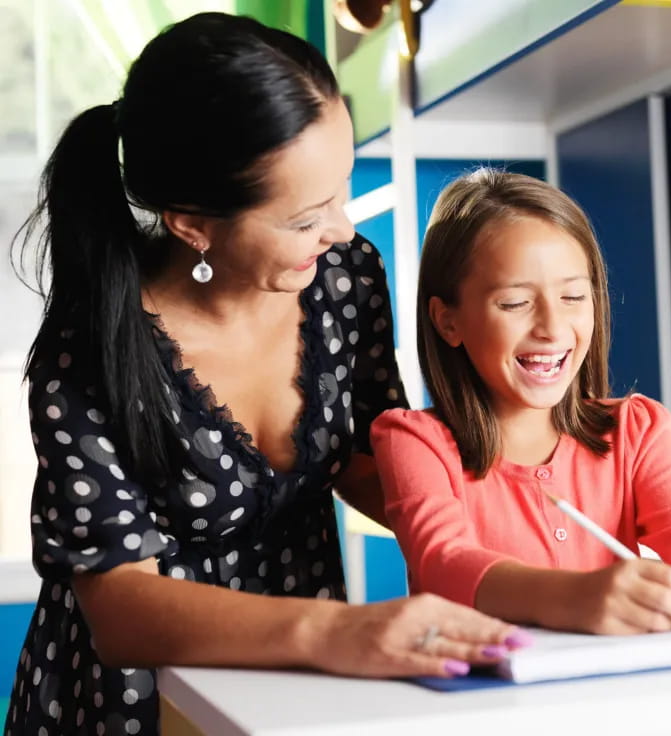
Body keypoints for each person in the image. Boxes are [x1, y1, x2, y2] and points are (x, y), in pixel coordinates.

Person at [4, 15, 528, 736]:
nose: (342, 228)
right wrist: (341, 632)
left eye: (340, 192)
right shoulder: (89, 354)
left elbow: (377, 464)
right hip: (137, 701)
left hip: (298, 686)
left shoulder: (344, 278)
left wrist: (522, 566)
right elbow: (120, 609)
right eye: (307, 216)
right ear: (193, 225)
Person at [371, 169, 671, 636]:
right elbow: (443, 565)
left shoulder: (636, 430)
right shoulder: (414, 441)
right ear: (448, 321)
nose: (552, 327)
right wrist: (574, 595)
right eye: (514, 303)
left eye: (573, 296)